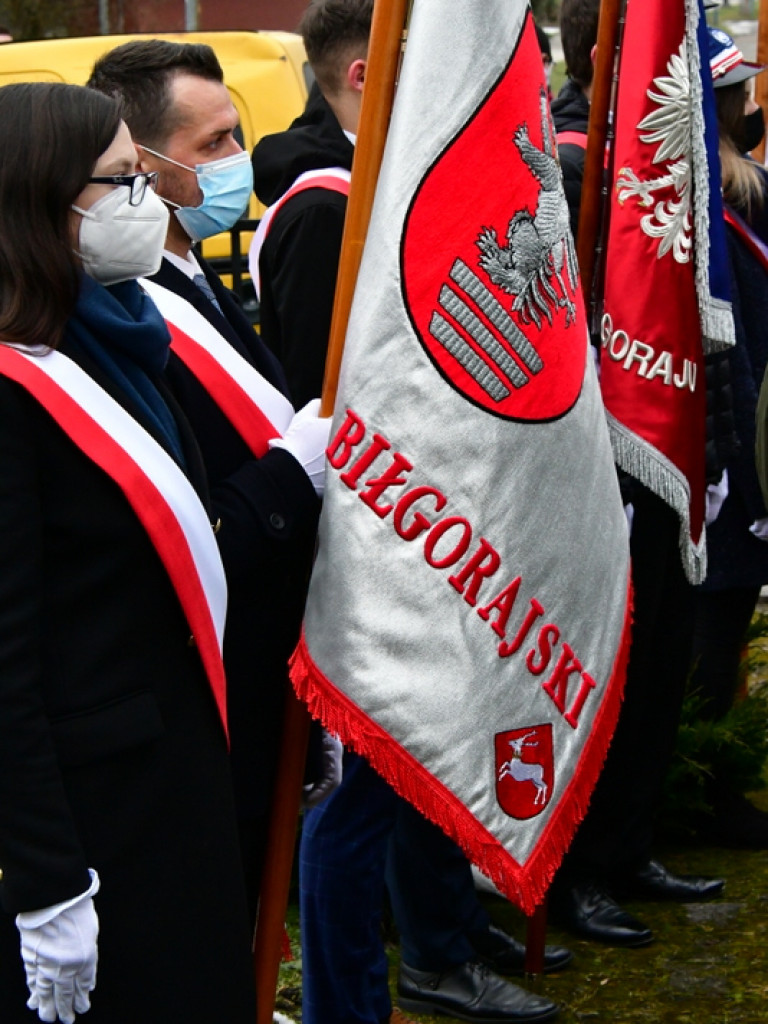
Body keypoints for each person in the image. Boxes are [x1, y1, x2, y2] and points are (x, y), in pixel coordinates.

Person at [252, 4, 568, 1023]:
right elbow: (322, 398)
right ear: (364, 73)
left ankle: (441, 937)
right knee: (355, 803)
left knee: (424, 759)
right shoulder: (319, 210)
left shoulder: (375, 188)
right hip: (367, 556)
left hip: (421, 538)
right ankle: (361, 991)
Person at [0, 82, 256, 1023]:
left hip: (177, 783)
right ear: (41, 201)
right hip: (97, 824)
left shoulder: (117, 337)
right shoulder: (14, 388)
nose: (147, 202)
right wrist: (47, 883)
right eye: (120, 181)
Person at [87, 39, 330, 922]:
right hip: (216, 674)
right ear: (145, 164)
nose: (240, 162)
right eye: (215, 144)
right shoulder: (126, 301)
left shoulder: (195, 275)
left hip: (266, 656)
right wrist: (288, 474)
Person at [548, 0, 725, 949]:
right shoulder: (572, 168)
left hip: (658, 456)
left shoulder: (664, 164)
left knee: (658, 658)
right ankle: (571, 875)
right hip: (588, 469)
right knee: (598, 675)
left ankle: (626, 848)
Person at [691, 27, 768, 849]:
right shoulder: (728, 202)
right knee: (713, 632)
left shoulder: (738, 193)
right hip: (728, 450)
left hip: (733, 443)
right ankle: (706, 788)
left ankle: (710, 777)